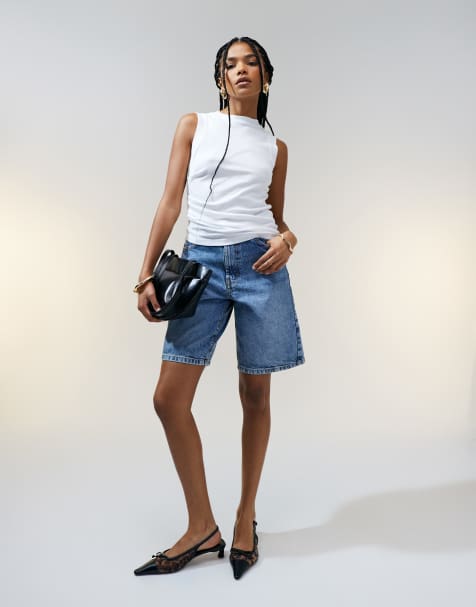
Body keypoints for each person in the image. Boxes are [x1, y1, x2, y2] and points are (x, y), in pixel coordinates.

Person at [133, 36, 305, 580]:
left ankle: (244, 516)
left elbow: (276, 218)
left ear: (266, 77)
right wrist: (144, 274)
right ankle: (201, 526)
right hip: (201, 267)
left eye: (251, 62)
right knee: (168, 399)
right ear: (220, 79)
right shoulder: (195, 126)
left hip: (260, 269)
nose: (241, 70)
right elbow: (170, 202)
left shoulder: (276, 149)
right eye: (230, 64)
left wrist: (290, 240)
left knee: (255, 395)